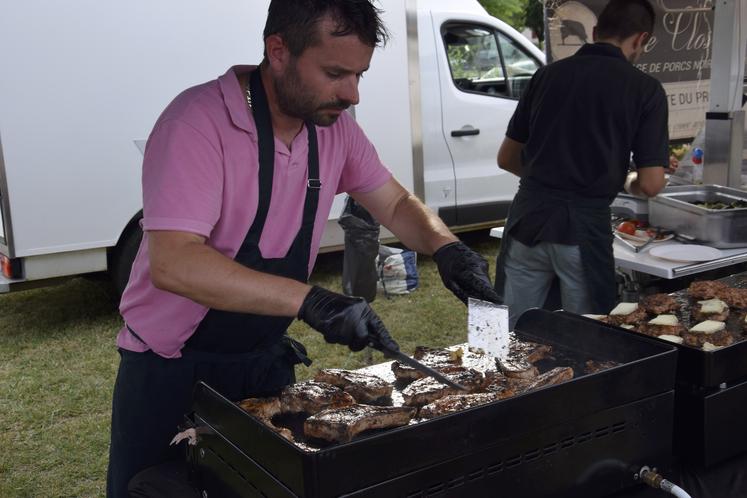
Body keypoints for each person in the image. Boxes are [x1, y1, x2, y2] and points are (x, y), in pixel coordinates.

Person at [106, 1, 499, 496]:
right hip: (171, 370)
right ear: (278, 51)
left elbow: (396, 202)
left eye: (360, 74)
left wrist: (445, 247)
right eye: (336, 73)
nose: (352, 94)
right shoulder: (197, 123)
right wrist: (309, 300)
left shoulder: (333, 127)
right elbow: (175, 262)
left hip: (263, 361)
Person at [493, 0, 669, 328]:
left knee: (508, 333)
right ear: (640, 39)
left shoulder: (546, 76)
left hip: (527, 221)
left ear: (594, 32)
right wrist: (618, 179)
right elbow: (651, 184)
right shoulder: (646, 90)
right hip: (583, 233)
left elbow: (506, 158)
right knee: (588, 340)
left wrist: (547, 181)